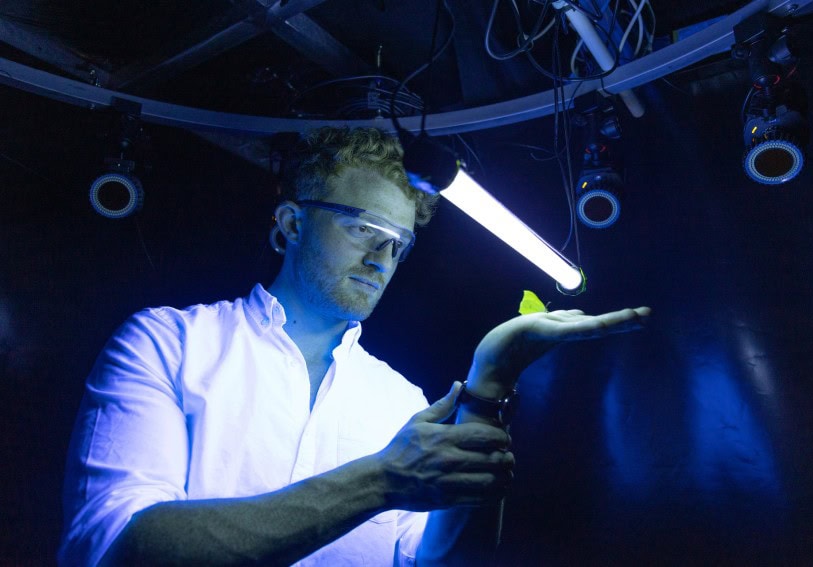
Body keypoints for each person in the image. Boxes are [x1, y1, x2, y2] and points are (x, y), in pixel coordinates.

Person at [58, 126, 649, 566]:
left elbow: (438, 563)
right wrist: (381, 480)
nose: (382, 258)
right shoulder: (168, 344)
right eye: (364, 229)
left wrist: (488, 388)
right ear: (292, 224)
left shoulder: (401, 401)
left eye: (399, 243)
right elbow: (116, 550)